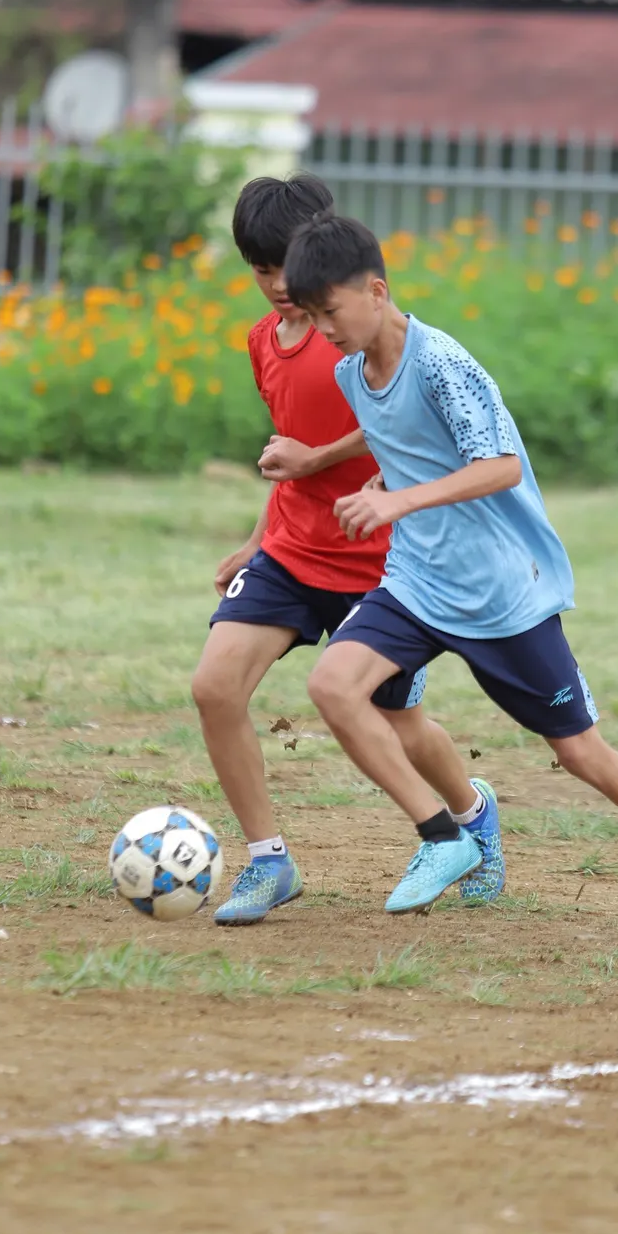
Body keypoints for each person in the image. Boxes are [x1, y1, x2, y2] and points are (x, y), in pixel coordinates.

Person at [282, 211, 618, 944]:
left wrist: (397, 498)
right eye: (312, 315)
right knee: (333, 685)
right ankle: (444, 836)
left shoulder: (442, 362)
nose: (324, 328)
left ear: (376, 289)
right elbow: (389, 424)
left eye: (330, 311)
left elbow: (499, 465)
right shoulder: (350, 370)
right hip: (417, 583)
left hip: (501, 594)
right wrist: (314, 460)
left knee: (579, 752)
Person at [191, 173, 504, 924]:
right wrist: (257, 538)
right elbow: (287, 455)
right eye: (260, 270)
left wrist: (315, 460)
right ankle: (269, 861)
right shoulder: (263, 341)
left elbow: (400, 422)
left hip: (382, 562)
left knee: (399, 726)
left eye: (283, 266)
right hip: (294, 552)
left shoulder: (361, 332)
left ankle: (470, 815)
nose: (274, 286)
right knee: (214, 688)